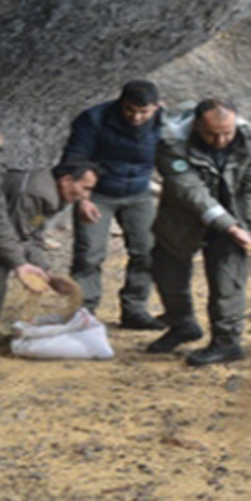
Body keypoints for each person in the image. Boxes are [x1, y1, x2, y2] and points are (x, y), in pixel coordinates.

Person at [147, 98, 251, 366]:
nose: (220, 141)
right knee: (168, 275)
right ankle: (182, 324)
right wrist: (227, 224)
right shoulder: (171, 143)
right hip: (183, 219)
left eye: (227, 133)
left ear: (236, 123)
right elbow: (190, 191)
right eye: (211, 134)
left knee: (228, 282)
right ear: (195, 125)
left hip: (235, 221)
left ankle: (227, 342)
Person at [63, 80, 165, 330]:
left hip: (139, 193)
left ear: (156, 107)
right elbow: (76, 158)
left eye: (144, 112)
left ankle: (135, 309)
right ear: (121, 103)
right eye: (130, 110)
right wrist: (83, 199)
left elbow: (177, 158)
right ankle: (83, 313)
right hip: (98, 193)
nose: (136, 117)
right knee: (89, 254)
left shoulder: (167, 123)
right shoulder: (94, 119)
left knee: (147, 251)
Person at [0, 160, 101, 355]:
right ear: (66, 180)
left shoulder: (51, 194)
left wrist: (48, 275)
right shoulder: (35, 193)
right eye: (85, 188)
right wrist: (23, 265)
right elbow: (15, 234)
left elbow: (31, 235)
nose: (85, 196)